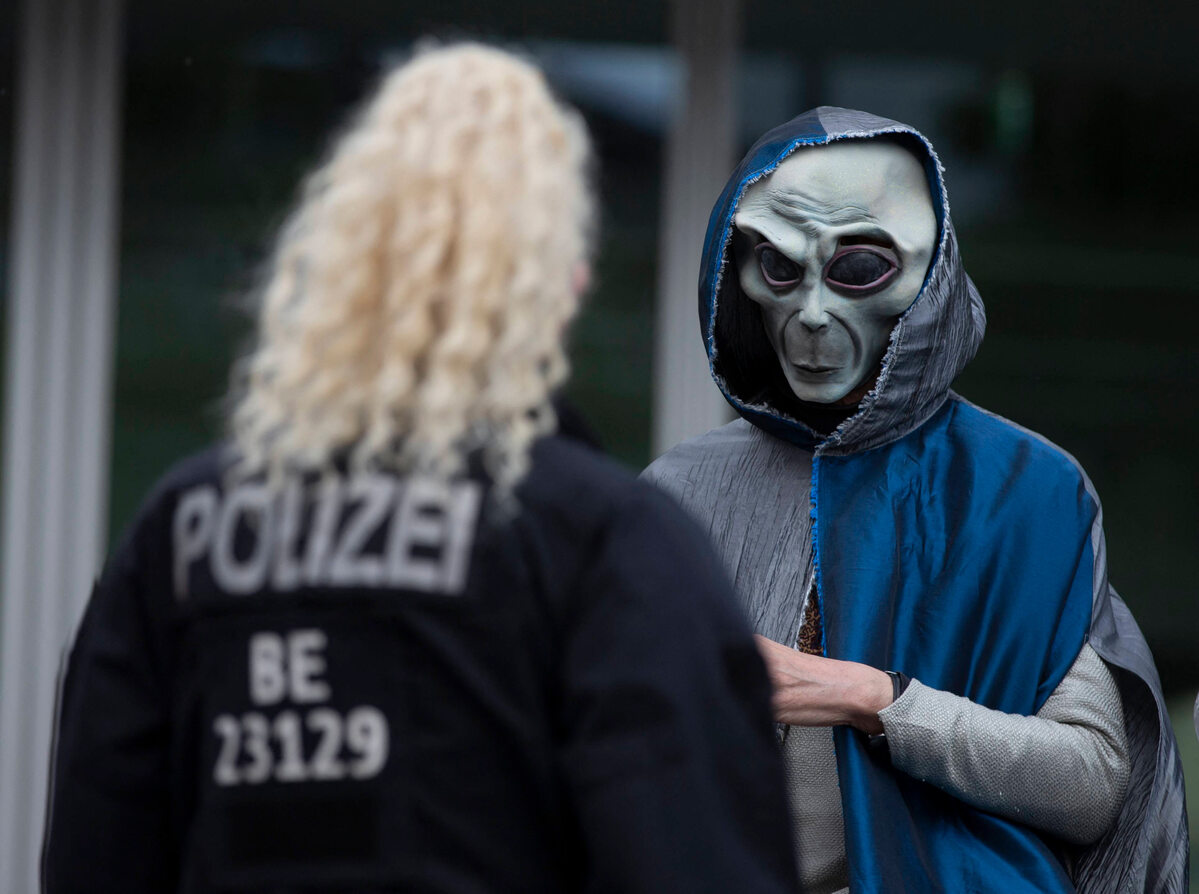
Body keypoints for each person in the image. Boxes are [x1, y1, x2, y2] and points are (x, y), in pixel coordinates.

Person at [41, 44, 801, 894]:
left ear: (336, 262)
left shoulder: (179, 537)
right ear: (561, 282)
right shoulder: (606, 545)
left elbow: (91, 858)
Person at [643, 107, 1188, 893]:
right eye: (779, 266)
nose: (813, 313)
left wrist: (875, 699)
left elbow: (1088, 779)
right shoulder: (685, 490)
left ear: (927, 278)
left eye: (858, 267)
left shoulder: (1021, 488)